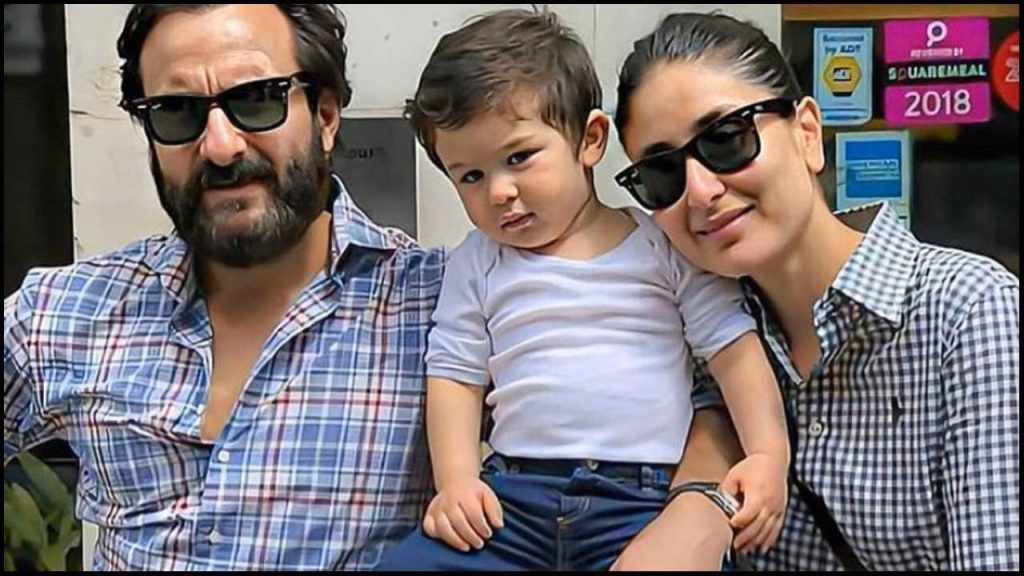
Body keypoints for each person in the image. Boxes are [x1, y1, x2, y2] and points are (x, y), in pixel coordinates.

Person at [4, 4, 445, 570]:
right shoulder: (64, 312)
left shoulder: (438, 306)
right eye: (176, 111)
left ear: (326, 116)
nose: (219, 145)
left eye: (256, 99)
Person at [376, 9, 789, 571]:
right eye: (469, 175)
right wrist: (456, 482)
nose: (498, 191)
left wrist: (767, 454)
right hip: (514, 499)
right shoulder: (477, 260)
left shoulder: (662, 243)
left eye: (519, 157)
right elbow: (454, 373)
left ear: (590, 139)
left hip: (642, 501)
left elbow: (732, 348)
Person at [612, 12, 1019, 571]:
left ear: (806, 132)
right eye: (662, 174)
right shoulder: (694, 345)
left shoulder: (967, 311)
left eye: (726, 138)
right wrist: (698, 500)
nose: (701, 191)